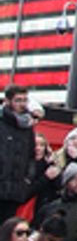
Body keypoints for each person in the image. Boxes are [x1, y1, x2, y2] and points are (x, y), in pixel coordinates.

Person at [0, 88, 36, 226]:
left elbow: (31, 155)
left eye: (24, 100)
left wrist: (27, 178)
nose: (22, 104)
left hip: (15, 190)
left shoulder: (28, 127)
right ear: (8, 101)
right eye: (18, 100)